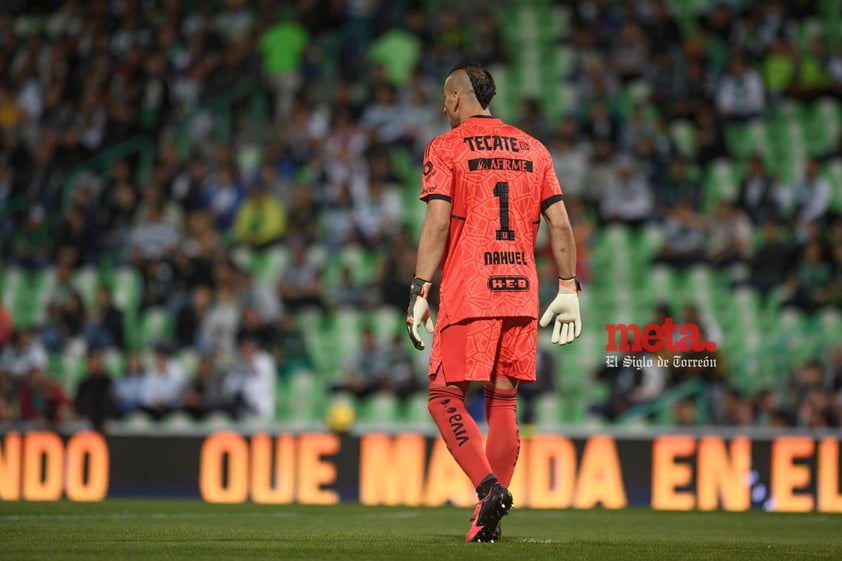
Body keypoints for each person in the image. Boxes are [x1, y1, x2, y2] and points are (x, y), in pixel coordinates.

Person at [405, 63, 581, 543]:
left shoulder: (446, 147)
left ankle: (487, 488)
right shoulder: (533, 148)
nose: (443, 106)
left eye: (445, 98)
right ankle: (487, 521)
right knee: (503, 399)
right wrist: (568, 288)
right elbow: (561, 225)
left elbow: (438, 225)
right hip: (522, 290)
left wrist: (420, 287)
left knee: (445, 396)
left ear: (458, 98)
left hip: (471, 288)